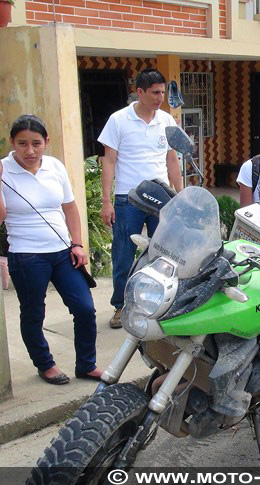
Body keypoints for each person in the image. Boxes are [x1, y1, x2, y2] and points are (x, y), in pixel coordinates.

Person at [0, 115, 103, 385]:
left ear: (47, 142)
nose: (30, 151)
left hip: (62, 252)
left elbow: (69, 207)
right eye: (22, 144)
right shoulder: (3, 170)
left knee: (84, 308)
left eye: (36, 143)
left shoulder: (55, 166)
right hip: (26, 255)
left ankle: (87, 364)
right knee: (34, 312)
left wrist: (77, 243)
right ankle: (45, 364)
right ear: (13, 143)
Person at [99, 69, 183, 329]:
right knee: (124, 254)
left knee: (163, 255)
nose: (160, 98)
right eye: (155, 93)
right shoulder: (118, 120)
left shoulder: (167, 121)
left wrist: (179, 197)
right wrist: (107, 201)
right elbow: (109, 161)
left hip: (161, 198)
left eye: (163, 92)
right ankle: (120, 306)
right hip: (128, 199)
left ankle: (160, 305)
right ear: (140, 92)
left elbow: (172, 160)